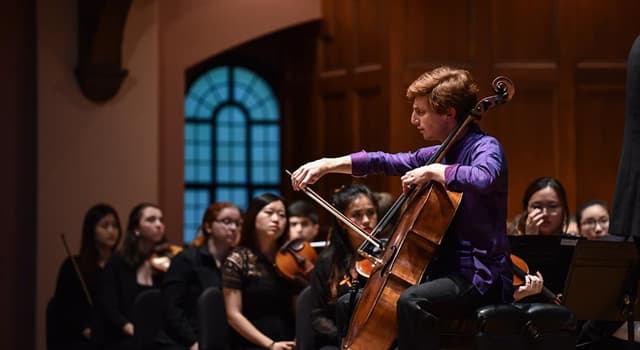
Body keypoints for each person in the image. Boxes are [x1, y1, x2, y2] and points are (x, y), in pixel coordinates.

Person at [291, 66, 513, 350]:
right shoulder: (438, 152)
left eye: (420, 112)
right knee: (350, 301)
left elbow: (484, 177)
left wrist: (434, 170)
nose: (413, 119)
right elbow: (384, 161)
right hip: (440, 271)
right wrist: (328, 164)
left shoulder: (485, 147)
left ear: (449, 113)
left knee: (412, 301)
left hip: (479, 275)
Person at [157, 202, 243, 350]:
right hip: (182, 341)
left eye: (237, 223)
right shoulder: (186, 259)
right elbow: (171, 307)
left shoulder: (236, 263)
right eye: (227, 222)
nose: (234, 228)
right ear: (208, 226)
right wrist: (192, 341)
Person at [307, 183, 379, 349]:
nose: (367, 220)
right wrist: (346, 339)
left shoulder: (387, 254)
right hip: (339, 342)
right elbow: (317, 316)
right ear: (342, 222)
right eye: (357, 215)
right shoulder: (327, 260)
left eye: (371, 212)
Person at [222, 193, 296, 350]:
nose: (276, 219)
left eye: (282, 215)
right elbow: (233, 315)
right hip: (251, 341)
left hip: (288, 339)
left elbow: (297, 307)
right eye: (269, 213)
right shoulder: (238, 259)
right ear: (253, 217)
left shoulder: (291, 259)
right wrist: (270, 345)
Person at [50, 204, 122, 350]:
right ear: (91, 231)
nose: (111, 231)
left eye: (115, 226)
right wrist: (83, 328)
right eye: (105, 226)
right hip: (82, 336)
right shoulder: (73, 265)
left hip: (113, 334)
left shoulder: (121, 266)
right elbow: (63, 307)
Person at [98, 202, 166, 350]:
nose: (159, 224)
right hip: (123, 336)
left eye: (161, 220)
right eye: (151, 220)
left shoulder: (164, 261)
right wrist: (129, 328)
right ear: (136, 229)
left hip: (155, 336)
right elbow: (108, 307)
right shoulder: (118, 261)